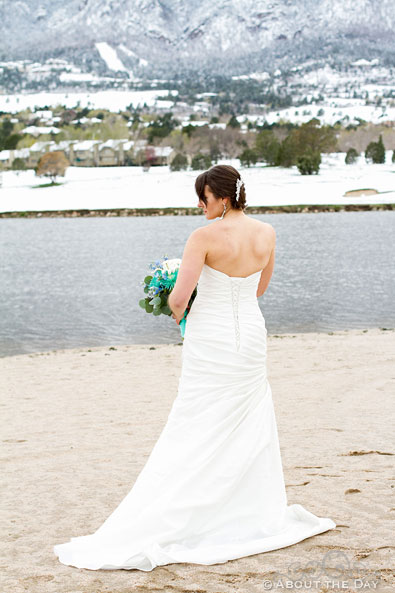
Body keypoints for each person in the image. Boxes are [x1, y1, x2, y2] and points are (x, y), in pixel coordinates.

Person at [53, 164, 336, 571]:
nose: (199, 204)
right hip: (251, 336)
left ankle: (193, 510)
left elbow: (179, 299)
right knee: (247, 419)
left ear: (222, 197)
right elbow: (259, 289)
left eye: (203, 197)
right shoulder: (267, 233)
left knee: (197, 419)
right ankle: (248, 510)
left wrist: (172, 298)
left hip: (211, 338)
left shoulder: (203, 237)